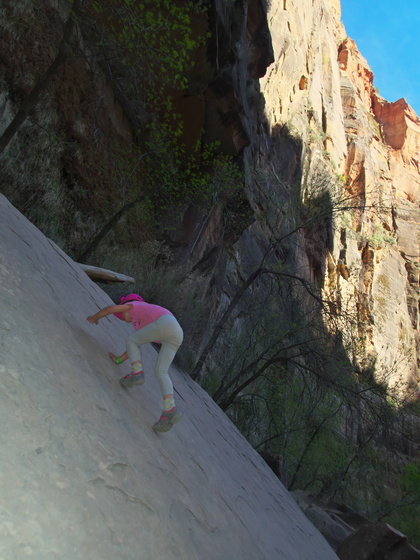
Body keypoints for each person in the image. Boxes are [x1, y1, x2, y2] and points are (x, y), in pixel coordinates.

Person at [87, 294, 183, 433]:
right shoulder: (144, 321)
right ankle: (170, 409)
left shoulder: (135, 306)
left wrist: (95, 317)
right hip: (176, 333)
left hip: (166, 324)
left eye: (122, 314)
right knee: (161, 371)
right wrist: (119, 360)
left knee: (132, 340)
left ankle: (137, 373)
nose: (124, 318)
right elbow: (135, 347)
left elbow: (111, 309)